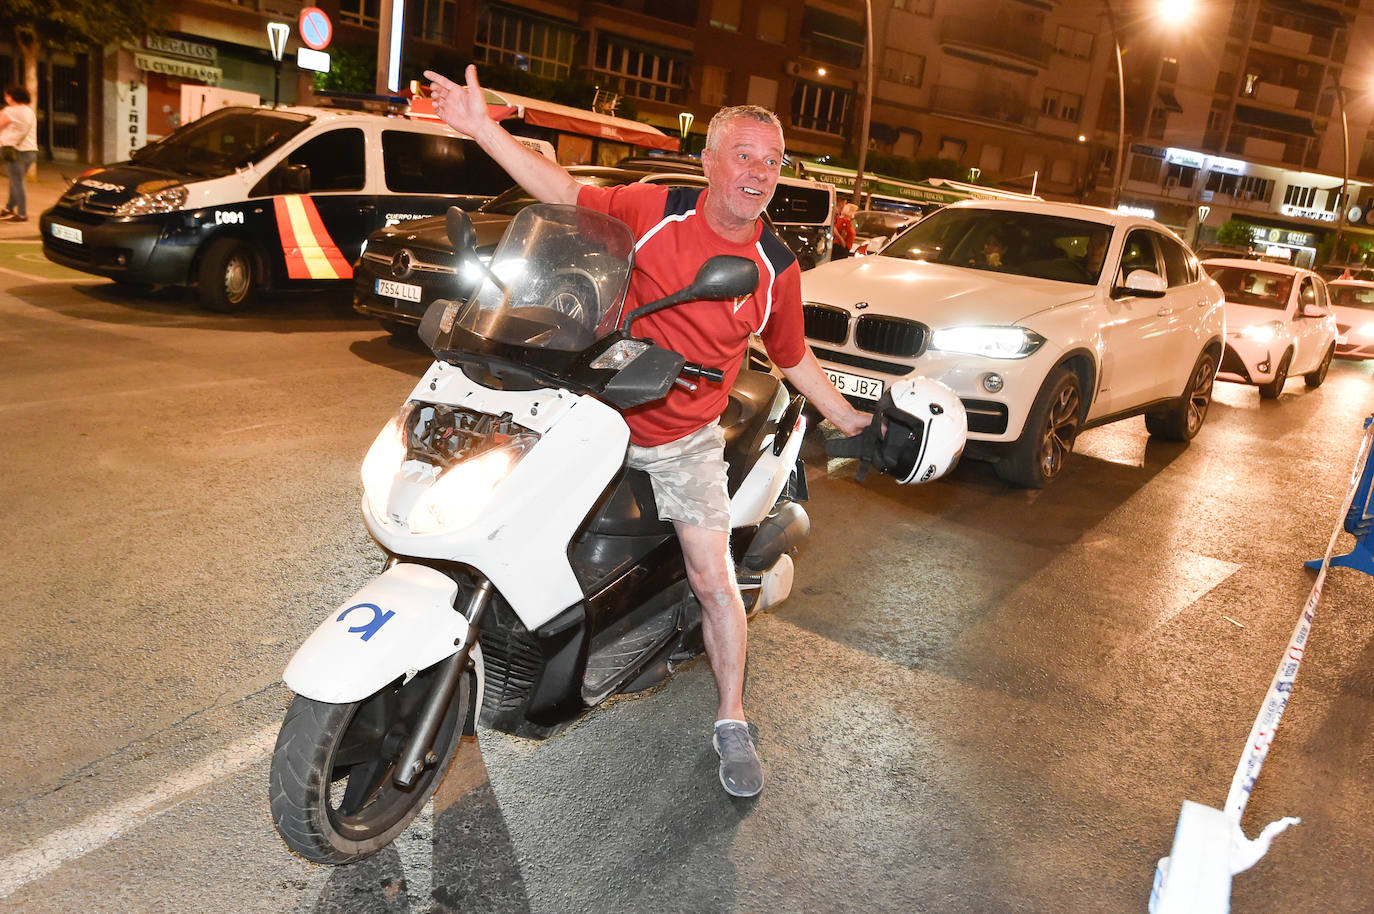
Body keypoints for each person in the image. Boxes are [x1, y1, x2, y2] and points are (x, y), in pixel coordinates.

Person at [425, 65, 869, 798]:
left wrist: (849, 415)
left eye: (772, 161)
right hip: (590, 408)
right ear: (709, 162)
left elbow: (791, 354)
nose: (760, 173)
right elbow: (564, 194)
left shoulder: (772, 268)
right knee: (489, 511)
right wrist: (481, 128)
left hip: (682, 435)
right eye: (745, 155)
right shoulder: (654, 208)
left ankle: (731, 717)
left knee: (710, 576)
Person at [0, 86, 38, 223]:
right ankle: (9, 208)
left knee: (17, 182)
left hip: (15, 151)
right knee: (16, 180)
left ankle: (22, 214)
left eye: (6, 95)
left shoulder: (10, 111)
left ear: (12, 96)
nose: (5, 98)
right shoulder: (29, 111)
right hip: (31, 151)